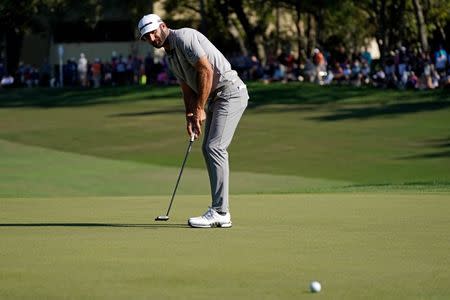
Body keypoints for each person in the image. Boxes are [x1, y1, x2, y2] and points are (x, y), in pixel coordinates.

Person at [138, 14, 249, 228]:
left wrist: (199, 108)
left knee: (214, 147)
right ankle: (220, 210)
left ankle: (220, 212)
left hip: (230, 92)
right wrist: (190, 115)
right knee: (210, 148)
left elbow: (205, 69)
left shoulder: (184, 38)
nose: (151, 38)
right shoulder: (170, 56)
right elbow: (187, 88)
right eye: (146, 37)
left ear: (163, 26)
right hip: (216, 98)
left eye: (153, 32)